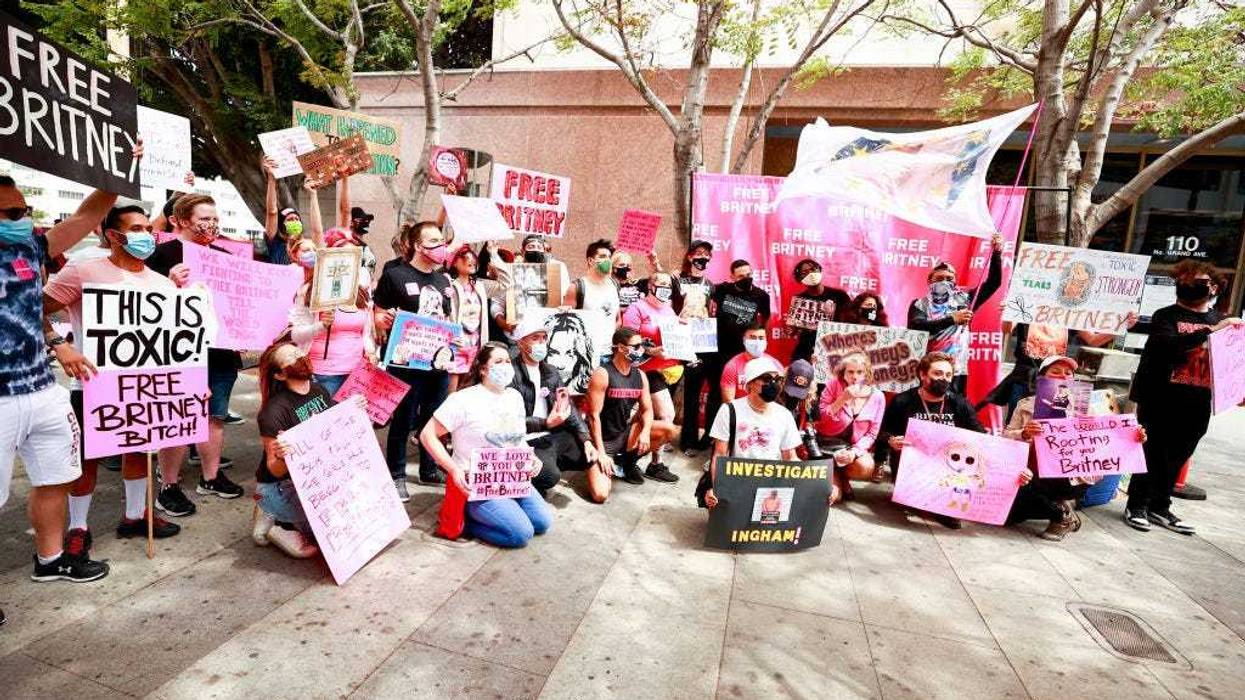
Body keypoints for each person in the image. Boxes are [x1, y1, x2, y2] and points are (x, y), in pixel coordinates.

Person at [0, 160, 139, 590]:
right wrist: (54, 343)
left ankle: (51, 558)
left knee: (55, 478)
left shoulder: (31, 247)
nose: (22, 220)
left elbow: (87, 215)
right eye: (10, 214)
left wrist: (117, 168)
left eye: (22, 211)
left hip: (42, 390)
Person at [43, 205, 184, 559]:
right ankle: (78, 527)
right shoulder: (84, 269)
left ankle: (135, 516)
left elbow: (174, 343)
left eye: (148, 228)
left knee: (139, 450)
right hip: (92, 384)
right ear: (113, 235)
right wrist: (59, 345)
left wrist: (189, 384)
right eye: (136, 228)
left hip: (144, 388)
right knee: (86, 460)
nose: (146, 235)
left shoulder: (162, 284)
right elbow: (31, 307)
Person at [145, 193, 246, 515]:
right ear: (181, 220)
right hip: (179, 354)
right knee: (178, 419)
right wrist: (167, 284)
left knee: (215, 416)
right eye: (205, 219)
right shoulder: (160, 255)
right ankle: (169, 486)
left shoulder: (223, 256)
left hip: (219, 351)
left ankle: (211, 477)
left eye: (215, 219)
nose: (212, 225)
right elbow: (141, 304)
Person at [1125, 261, 1242, 534]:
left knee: (1179, 453)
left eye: (1197, 281)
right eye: (1184, 280)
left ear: (1213, 287)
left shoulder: (1219, 319)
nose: (1188, 285)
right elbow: (1168, 346)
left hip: (1198, 399)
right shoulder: (1165, 316)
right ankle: (1137, 504)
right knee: (1152, 451)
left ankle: (1160, 506)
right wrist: (1214, 331)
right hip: (1160, 397)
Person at [422, 343, 552, 548]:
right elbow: (427, 435)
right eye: (498, 362)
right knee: (520, 534)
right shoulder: (462, 399)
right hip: (475, 482)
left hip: (510, 477)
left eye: (508, 361)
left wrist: (531, 458)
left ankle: (498, 512)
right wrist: (453, 469)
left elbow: (516, 438)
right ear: (483, 369)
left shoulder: (514, 397)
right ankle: (466, 520)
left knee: (542, 522)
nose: (505, 366)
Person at [1003, 356, 1147, 541]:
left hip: (1069, 478)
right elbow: (1006, 438)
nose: (1063, 376)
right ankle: (1062, 507)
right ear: (1041, 378)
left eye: (1068, 373)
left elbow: (1108, 438)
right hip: (1031, 475)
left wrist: (1134, 437)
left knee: (1034, 497)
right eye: (1055, 372)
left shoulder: (1084, 407)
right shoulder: (1025, 406)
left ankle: (1061, 516)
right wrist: (1024, 434)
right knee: (1008, 517)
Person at [255, 343, 362, 558]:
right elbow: (274, 470)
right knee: (327, 534)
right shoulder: (273, 412)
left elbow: (334, 431)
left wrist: (353, 410)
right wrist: (282, 456)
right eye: (292, 359)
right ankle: (276, 520)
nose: (300, 358)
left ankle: (285, 517)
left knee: (355, 521)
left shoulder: (319, 390)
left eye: (299, 353)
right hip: (280, 486)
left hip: (316, 477)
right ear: (279, 375)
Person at [372, 220, 454, 498]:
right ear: (418, 246)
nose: (440, 246)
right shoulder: (395, 275)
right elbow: (378, 315)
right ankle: (395, 474)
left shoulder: (444, 280)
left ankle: (429, 469)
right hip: (405, 362)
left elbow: (446, 317)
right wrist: (384, 320)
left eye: (441, 241)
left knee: (434, 417)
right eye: (433, 241)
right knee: (404, 419)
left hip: (437, 362)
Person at [880, 351, 985, 529]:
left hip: (949, 466)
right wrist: (891, 440)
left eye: (948, 375)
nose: (943, 379)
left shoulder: (960, 404)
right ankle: (913, 497)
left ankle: (940, 506)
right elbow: (882, 433)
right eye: (937, 373)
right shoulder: (903, 401)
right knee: (912, 500)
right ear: (922, 374)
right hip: (911, 465)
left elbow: (980, 436)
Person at [508, 316, 598, 497]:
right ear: (520, 343)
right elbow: (509, 421)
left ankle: (540, 470)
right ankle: (531, 477)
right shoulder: (510, 373)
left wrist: (586, 439)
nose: (541, 343)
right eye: (535, 338)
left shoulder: (550, 371)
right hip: (526, 439)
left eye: (543, 338)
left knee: (587, 456)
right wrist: (545, 424)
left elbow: (568, 406)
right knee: (550, 477)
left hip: (551, 434)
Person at [585, 327, 678, 500]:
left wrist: (644, 432)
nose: (640, 350)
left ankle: (627, 463)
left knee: (670, 430)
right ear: (620, 348)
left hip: (624, 434)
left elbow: (648, 409)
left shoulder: (640, 375)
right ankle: (601, 462)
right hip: (602, 440)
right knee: (600, 495)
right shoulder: (602, 374)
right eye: (636, 346)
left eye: (641, 345)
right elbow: (593, 417)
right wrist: (601, 453)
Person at [702, 359, 804, 509]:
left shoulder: (785, 415)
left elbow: (790, 457)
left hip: (771, 486)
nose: (774, 384)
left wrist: (815, 483)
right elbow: (719, 455)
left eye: (778, 379)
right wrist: (717, 488)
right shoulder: (729, 411)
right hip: (737, 482)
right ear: (750, 383)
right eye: (767, 379)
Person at [907, 234, 1003, 392]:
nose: (944, 281)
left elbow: (994, 282)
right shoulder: (920, 304)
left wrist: (997, 252)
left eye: (949, 278)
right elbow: (917, 327)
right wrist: (952, 319)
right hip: (928, 368)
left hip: (956, 368)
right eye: (939, 278)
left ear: (955, 282)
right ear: (930, 281)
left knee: (953, 409)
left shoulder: (966, 300)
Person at [620, 272, 683, 483]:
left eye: (668, 284)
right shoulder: (636, 308)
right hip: (645, 370)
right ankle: (636, 461)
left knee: (646, 418)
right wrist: (651, 351)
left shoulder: (669, 309)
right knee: (666, 415)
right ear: (650, 284)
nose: (665, 287)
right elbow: (627, 340)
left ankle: (648, 461)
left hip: (668, 370)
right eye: (660, 283)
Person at [817, 351, 886, 498]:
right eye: (850, 372)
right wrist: (842, 399)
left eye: (859, 372)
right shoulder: (833, 385)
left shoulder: (878, 397)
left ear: (866, 373)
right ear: (843, 373)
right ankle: (836, 477)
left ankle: (842, 477)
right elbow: (821, 419)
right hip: (827, 444)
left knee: (866, 467)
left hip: (850, 448)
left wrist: (854, 452)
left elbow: (872, 433)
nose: (855, 376)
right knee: (833, 496)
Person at [674, 240, 718, 455]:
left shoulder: (711, 285)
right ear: (690, 256)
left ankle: (705, 438)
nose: (703, 258)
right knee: (680, 389)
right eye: (699, 253)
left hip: (703, 340)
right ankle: (685, 440)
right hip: (680, 337)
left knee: (697, 388)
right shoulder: (677, 279)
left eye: (707, 255)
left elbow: (711, 310)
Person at [787, 258, 850, 362]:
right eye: (804, 272)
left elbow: (850, 322)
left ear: (819, 270)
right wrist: (792, 329)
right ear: (800, 279)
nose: (810, 273)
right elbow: (792, 332)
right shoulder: (800, 301)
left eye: (813, 269)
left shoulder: (840, 296)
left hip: (833, 348)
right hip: (806, 350)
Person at [446, 245, 489, 392]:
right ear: (454, 262)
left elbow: (506, 284)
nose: (470, 261)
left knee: (468, 389)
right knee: (451, 394)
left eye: (473, 257)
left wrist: (494, 255)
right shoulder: (448, 285)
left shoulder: (480, 286)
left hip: (476, 345)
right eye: (465, 257)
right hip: (457, 344)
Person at [711, 259, 771, 362]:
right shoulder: (722, 289)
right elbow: (701, 288)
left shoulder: (761, 295)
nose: (746, 279)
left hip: (745, 349)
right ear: (732, 277)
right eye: (741, 276)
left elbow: (766, 318)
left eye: (748, 275)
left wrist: (761, 339)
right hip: (721, 348)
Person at [720, 322, 781, 403]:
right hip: (741, 413)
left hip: (767, 412)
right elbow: (728, 402)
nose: (757, 341)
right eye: (752, 337)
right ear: (744, 340)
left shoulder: (774, 365)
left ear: (766, 341)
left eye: (761, 338)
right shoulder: (732, 366)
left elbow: (778, 398)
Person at [564, 239, 620, 322]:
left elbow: (618, 320)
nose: (607, 260)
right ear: (590, 261)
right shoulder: (577, 288)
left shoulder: (614, 285)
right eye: (602, 256)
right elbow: (565, 320)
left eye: (609, 257)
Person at [261, 155, 303, 265]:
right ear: (281, 226)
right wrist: (271, 178)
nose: (294, 221)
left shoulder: (305, 247)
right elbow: (272, 212)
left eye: (296, 219)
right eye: (289, 220)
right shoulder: (275, 244)